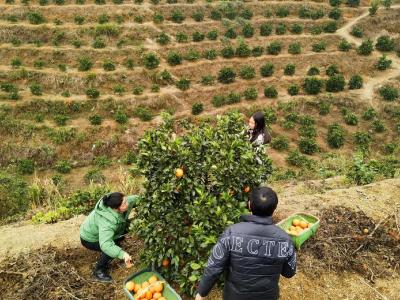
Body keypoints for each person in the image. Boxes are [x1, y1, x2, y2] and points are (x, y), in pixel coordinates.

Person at [195, 186, 296, 300]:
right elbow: (289, 272)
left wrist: (201, 292)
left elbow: (214, 266)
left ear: (249, 204)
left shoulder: (232, 232)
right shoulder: (285, 240)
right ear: (274, 208)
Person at [80, 192, 140, 282]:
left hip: (102, 232)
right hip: (89, 238)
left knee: (127, 228)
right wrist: (122, 254)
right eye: (124, 203)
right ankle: (98, 272)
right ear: (116, 208)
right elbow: (106, 245)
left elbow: (136, 199)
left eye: (126, 200)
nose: (128, 203)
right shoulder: (107, 222)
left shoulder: (120, 203)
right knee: (111, 248)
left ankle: (116, 240)